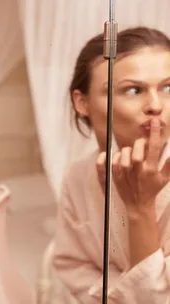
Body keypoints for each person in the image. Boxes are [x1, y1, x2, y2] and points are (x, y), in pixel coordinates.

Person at [52, 26, 170, 303]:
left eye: (168, 87)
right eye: (132, 90)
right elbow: (73, 267)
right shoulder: (79, 177)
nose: (155, 105)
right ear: (82, 102)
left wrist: (139, 208)